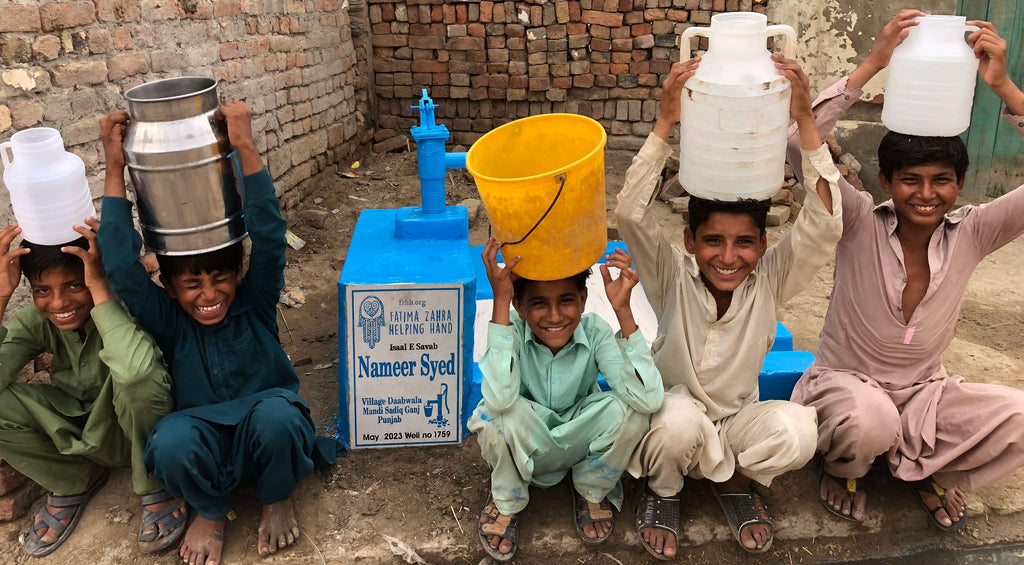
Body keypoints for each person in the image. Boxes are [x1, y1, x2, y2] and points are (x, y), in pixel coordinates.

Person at [789, 10, 1024, 529]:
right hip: (845, 388)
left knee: (1018, 417)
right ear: (886, 181)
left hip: (925, 395)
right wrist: (874, 63)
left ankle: (928, 470)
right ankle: (843, 468)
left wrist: (1004, 87)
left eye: (941, 180)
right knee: (869, 419)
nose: (925, 194)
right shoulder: (856, 220)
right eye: (910, 180)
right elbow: (795, 145)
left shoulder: (976, 232)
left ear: (959, 184)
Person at [615, 55, 842, 558]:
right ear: (689, 241)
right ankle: (665, 489)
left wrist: (805, 119)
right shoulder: (670, 274)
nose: (728, 257)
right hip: (671, 419)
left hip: (737, 422)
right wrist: (666, 120)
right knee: (677, 422)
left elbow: (825, 223)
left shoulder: (771, 280)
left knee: (798, 431)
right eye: (713, 241)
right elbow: (629, 214)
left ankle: (733, 479)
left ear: (762, 245)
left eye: (744, 243)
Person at [96, 102, 335, 565]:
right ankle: (211, 509)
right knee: (169, 441)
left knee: (280, 417)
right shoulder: (169, 321)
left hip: (268, 433)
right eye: (192, 284)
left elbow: (270, 237)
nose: (209, 294)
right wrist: (113, 166)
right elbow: (122, 268)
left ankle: (276, 496)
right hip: (202, 442)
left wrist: (243, 145)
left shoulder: (256, 301)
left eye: (220, 278)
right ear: (168, 287)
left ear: (238, 273)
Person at [469, 239, 663, 561]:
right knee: (494, 416)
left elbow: (649, 400)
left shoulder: (596, 330)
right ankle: (507, 498)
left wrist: (623, 311)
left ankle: (590, 487)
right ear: (520, 306)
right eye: (539, 303)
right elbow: (500, 400)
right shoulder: (511, 329)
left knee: (632, 412)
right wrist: (500, 301)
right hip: (527, 441)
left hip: (578, 439)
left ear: (584, 299)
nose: (555, 316)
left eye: (567, 300)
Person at [0, 221, 184, 557]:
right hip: (84, 430)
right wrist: (0, 295)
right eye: (42, 290)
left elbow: (138, 374)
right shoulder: (37, 322)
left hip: (143, 430)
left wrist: (99, 285)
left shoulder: (130, 304)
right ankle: (75, 479)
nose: (59, 303)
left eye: (75, 284)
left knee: (136, 378)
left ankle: (158, 480)